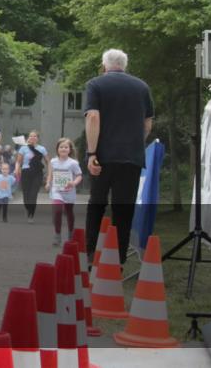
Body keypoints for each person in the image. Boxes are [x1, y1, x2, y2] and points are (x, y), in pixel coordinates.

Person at [84, 48, 154, 265]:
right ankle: (119, 261)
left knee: (97, 204)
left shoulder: (95, 84)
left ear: (104, 65)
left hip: (103, 156)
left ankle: (90, 255)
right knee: (124, 209)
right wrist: (133, 143)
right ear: (125, 66)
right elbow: (147, 123)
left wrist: (92, 152)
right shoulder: (142, 87)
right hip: (131, 157)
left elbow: (93, 118)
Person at [47, 138, 83, 245]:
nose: (63, 149)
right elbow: (50, 174)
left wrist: (74, 183)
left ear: (70, 149)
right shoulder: (53, 161)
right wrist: (48, 183)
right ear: (57, 149)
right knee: (57, 211)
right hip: (57, 190)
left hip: (69, 192)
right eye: (61, 147)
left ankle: (71, 232)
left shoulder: (73, 163)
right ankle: (57, 235)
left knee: (69, 212)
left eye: (66, 147)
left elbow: (79, 176)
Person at [14, 131, 49, 224]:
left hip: (37, 173)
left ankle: (31, 214)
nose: (32, 137)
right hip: (26, 172)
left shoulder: (42, 149)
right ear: (28, 138)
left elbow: (48, 162)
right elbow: (18, 161)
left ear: (37, 138)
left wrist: (49, 173)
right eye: (31, 136)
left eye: (35, 136)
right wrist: (17, 169)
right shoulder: (23, 148)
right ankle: (28, 209)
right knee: (26, 196)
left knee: (33, 195)